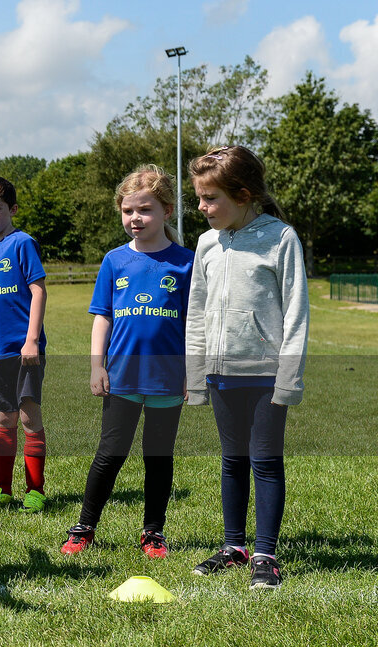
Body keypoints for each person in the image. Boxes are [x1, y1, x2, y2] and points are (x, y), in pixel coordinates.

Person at [186, 145, 309, 590]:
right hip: (220, 374)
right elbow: (195, 313)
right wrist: (195, 376)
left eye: (209, 198)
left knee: (265, 461)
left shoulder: (280, 238)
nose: (201, 208)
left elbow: (296, 313)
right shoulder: (205, 244)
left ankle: (265, 555)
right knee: (232, 460)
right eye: (199, 198)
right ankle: (233, 547)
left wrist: (287, 379)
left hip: (265, 375)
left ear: (242, 194)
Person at [60, 165, 194, 558]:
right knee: (110, 452)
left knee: (159, 456)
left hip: (168, 377)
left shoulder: (186, 262)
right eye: (128, 210)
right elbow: (103, 317)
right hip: (121, 375)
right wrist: (96, 365)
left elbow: (193, 323)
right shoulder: (114, 261)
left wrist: (192, 371)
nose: (135, 218)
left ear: (167, 211)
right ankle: (85, 527)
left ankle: (153, 532)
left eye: (145, 209)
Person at [0, 177, 49, 513]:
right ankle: (2, 489)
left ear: (12, 209)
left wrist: (31, 340)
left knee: (29, 418)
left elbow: (38, 291)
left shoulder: (22, 243)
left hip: (24, 351)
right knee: (5, 420)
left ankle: (35, 490)